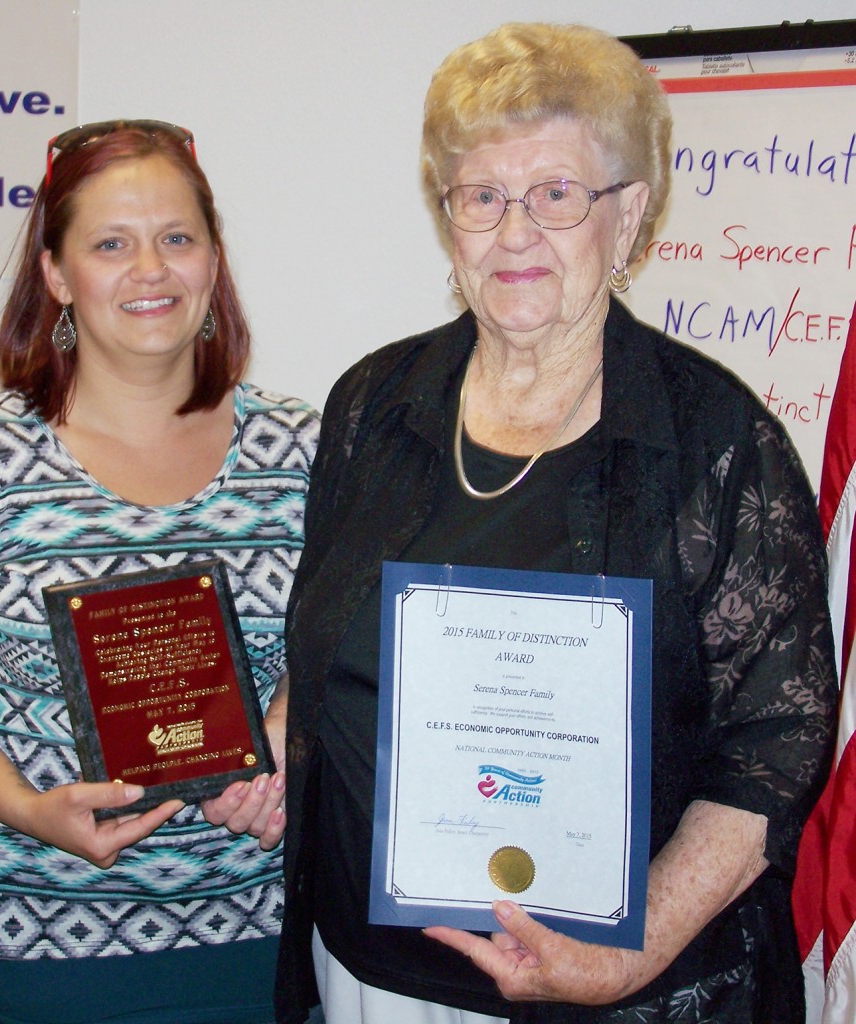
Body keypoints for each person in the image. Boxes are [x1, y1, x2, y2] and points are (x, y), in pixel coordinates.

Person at [273, 23, 837, 1024]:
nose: (515, 232)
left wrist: (636, 946)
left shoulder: (717, 440)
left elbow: (775, 743)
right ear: (448, 217)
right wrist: (289, 734)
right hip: (367, 975)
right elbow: (332, 644)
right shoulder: (372, 404)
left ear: (629, 218)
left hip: (618, 992)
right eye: (482, 196)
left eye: (558, 195)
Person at [0, 120, 319, 1024]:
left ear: (213, 259)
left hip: (266, 935)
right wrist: (30, 808)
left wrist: (290, 729)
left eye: (177, 238)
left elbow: (350, 656)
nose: (150, 270)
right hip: (40, 938)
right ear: (55, 273)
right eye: (111, 244)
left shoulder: (308, 451)